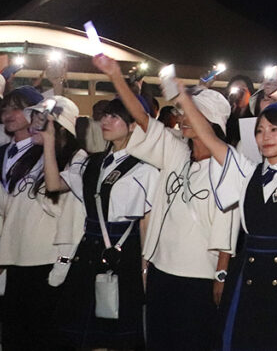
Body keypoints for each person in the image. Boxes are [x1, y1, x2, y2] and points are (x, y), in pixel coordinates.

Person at [94, 55, 239, 351]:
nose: (182, 118)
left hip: (199, 275)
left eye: (191, 113)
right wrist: (115, 76)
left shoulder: (228, 164)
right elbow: (142, 119)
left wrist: (221, 275)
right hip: (162, 270)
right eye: (182, 112)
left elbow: (229, 222)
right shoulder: (176, 150)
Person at [184, 81, 277, 350]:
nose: (265, 137)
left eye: (274, 130)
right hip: (248, 272)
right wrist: (183, 97)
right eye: (260, 131)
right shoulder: (247, 171)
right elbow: (208, 136)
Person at [50, 98, 159, 350]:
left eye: (115, 117)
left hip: (124, 253)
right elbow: (54, 185)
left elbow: (145, 222)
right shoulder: (93, 162)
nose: (106, 121)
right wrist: (47, 140)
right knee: (82, 331)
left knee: (115, 329)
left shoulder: (146, 168)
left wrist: (145, 269)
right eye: (105, 116)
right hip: (89, 249)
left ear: (134, 125)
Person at [0, 95, 84, 351]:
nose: (33, 122)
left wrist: (62, 266)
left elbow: (73, 221)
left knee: (41, 338)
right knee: (14, 337)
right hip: (19, 261)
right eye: (33, 116)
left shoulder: (76, 158)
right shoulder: (32, 158)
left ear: (58, 125)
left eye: (41, 118)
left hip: (47, 264)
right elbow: (9, 207)